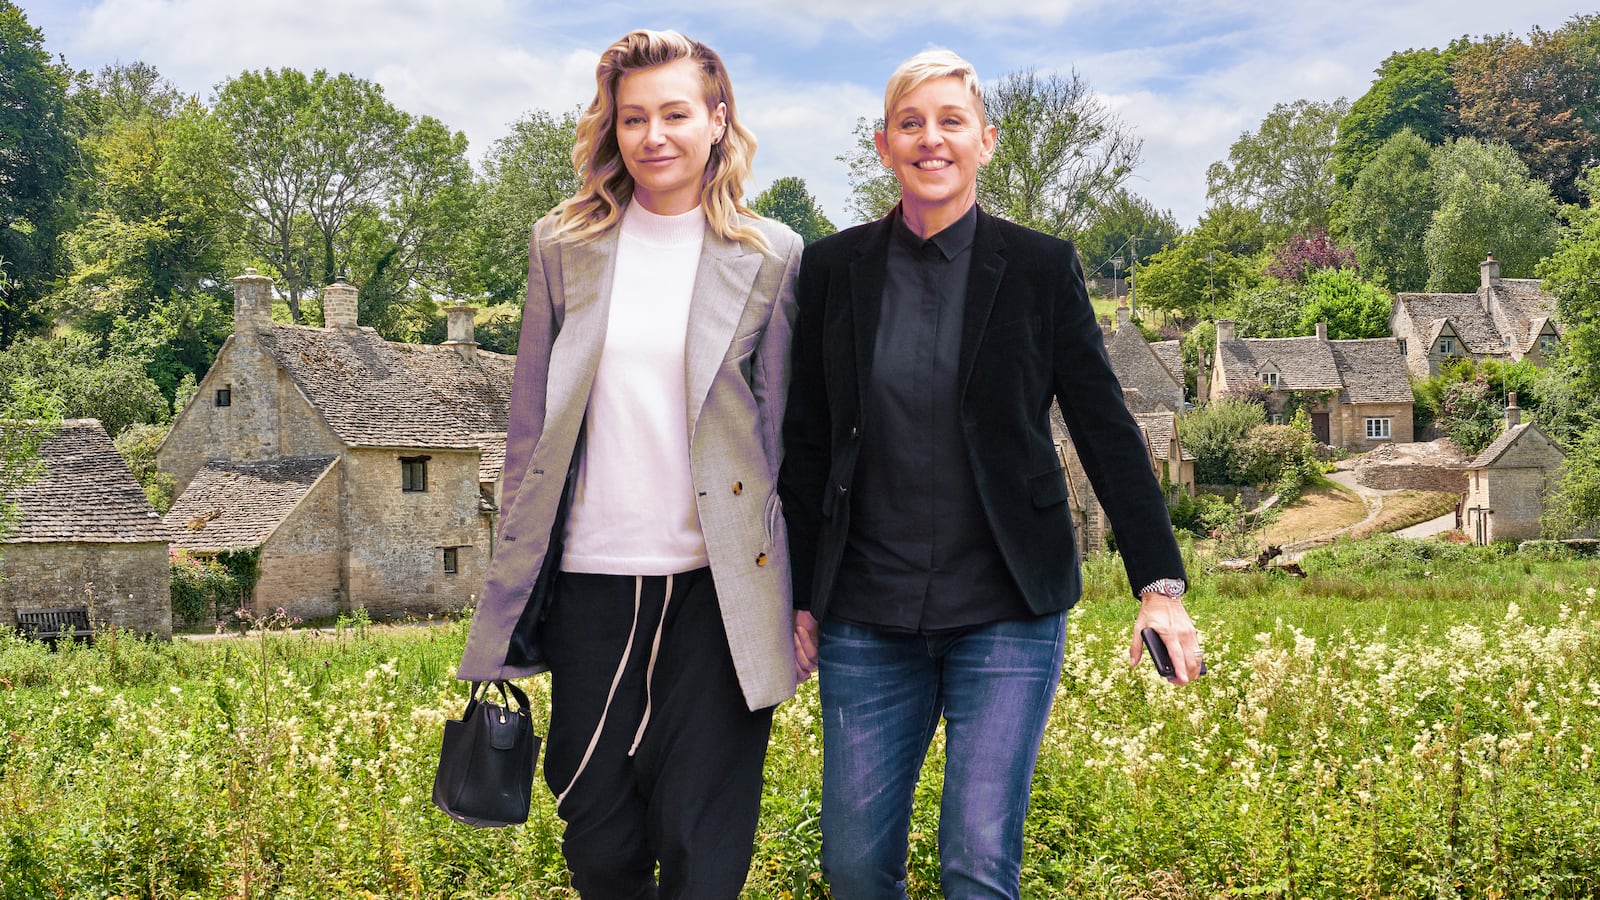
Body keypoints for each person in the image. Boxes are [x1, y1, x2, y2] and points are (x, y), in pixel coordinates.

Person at [779, 49, 1203, 899]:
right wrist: (795, 593)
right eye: (911, 123)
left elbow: (1106, 430)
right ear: (882, 143)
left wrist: (1160, 584)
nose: (930, 140)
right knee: (856, 869)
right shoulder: (831, 269)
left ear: (986, 140)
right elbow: (808, 443)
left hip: (1007, 610)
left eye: (950, 122)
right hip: (866, 613)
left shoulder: (1041, 268)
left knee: (977, 864)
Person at [456, 28, 803, 899]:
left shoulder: (772, 256)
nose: (653, 136)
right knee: (596, 831)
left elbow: (787, 440)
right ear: (610, 127)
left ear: (718, 121)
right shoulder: (561, 246)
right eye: (633, 116)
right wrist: (505, 597)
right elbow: (529, 431)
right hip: (589, 582)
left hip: (718, 591)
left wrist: (805, 601)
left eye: (676, 114)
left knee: (704, 841)